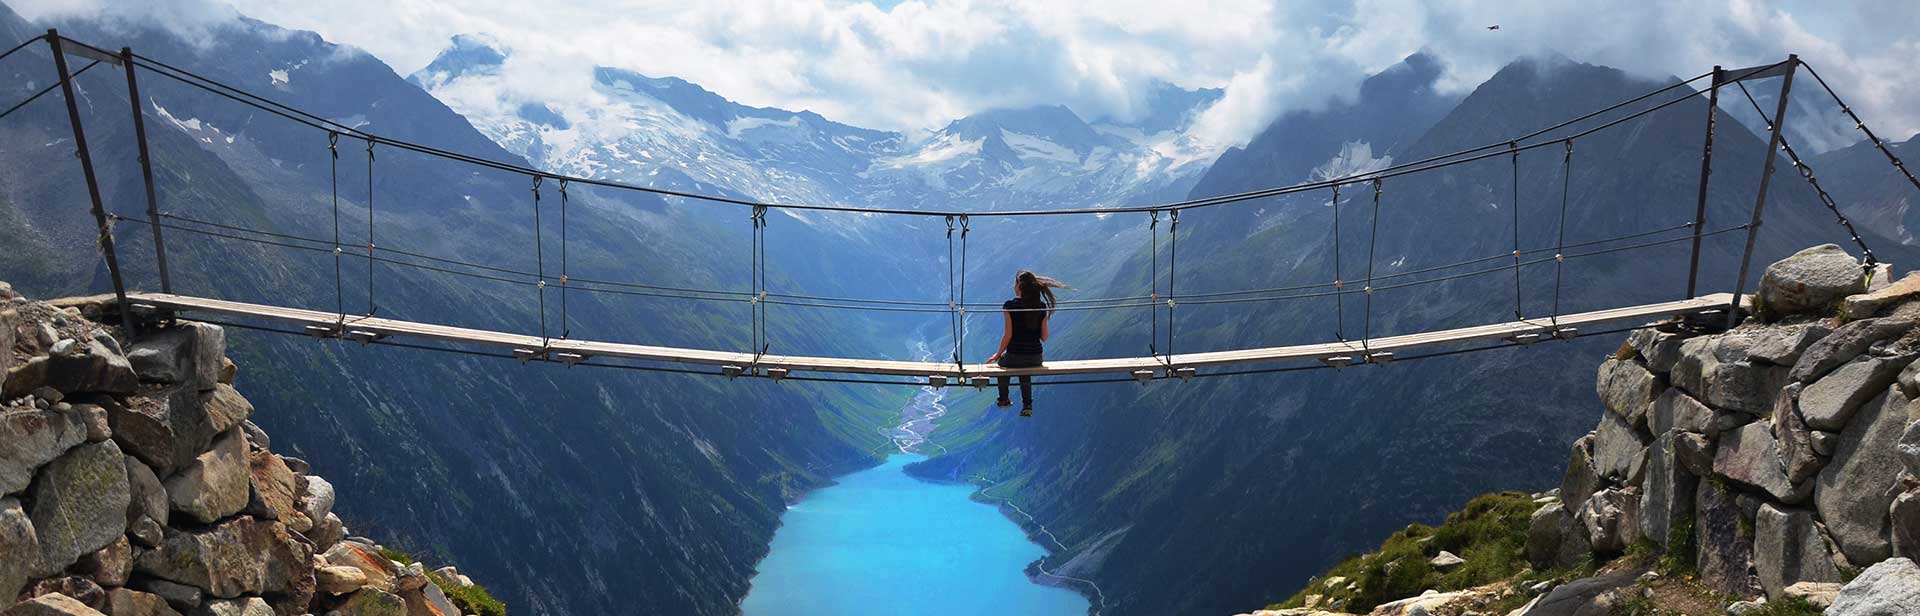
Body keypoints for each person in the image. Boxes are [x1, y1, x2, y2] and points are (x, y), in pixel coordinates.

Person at [986, 271, 1068, 416]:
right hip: (1036, 357)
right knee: (1025, 368)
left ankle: (1004, 399)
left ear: (1018, 286)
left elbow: (1008, 335)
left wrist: (997, 355)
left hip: (1014, 356)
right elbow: (1044, 337)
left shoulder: (1009, 306)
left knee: (1003, 365)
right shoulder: (1041, 306)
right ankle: (1027, 405)